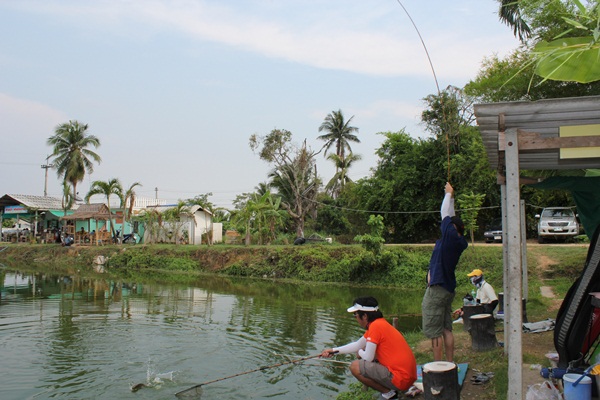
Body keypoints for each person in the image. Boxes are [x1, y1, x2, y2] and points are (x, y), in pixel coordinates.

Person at [320, 297, 417, 400]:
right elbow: (358, 344)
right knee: (361, 355)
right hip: (407, 377)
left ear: (365, 316)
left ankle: (389, 394)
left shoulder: (375, 327)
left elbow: (368, 357)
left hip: (401, 379)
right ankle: (390, 391)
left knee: (355, 366)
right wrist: (334, 351)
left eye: (356, 315)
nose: (355, 318)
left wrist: (360, 351)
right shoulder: (379, 323)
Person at [422, 182, 468, 362]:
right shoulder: (457, 240)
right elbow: (451, 216)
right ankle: (449, 364)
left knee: (435, 332)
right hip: (447, 289)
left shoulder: (449, 236)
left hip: (438, 290)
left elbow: (444, 213)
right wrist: (453, 198)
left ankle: (438, 366)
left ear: (451, 229)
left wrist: (448, 195)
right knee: (447, 329)